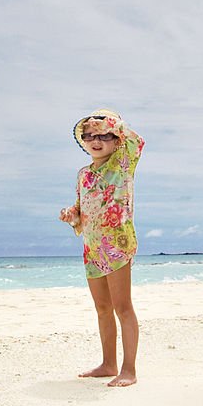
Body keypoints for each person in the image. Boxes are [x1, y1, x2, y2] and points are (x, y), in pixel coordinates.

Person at [59, 109, 145, 387]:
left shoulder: (122, 163)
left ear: (116, 138)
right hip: (92, 248)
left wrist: (113, 123)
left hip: (117, 244)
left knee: (123, 307)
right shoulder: (83, 174)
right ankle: (108, 364)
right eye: (90, 136)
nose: (97, 140)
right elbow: (82, 212)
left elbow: (137, 141)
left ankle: (128, 369)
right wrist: (71, 215)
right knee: (102, 308)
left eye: (105, 135)